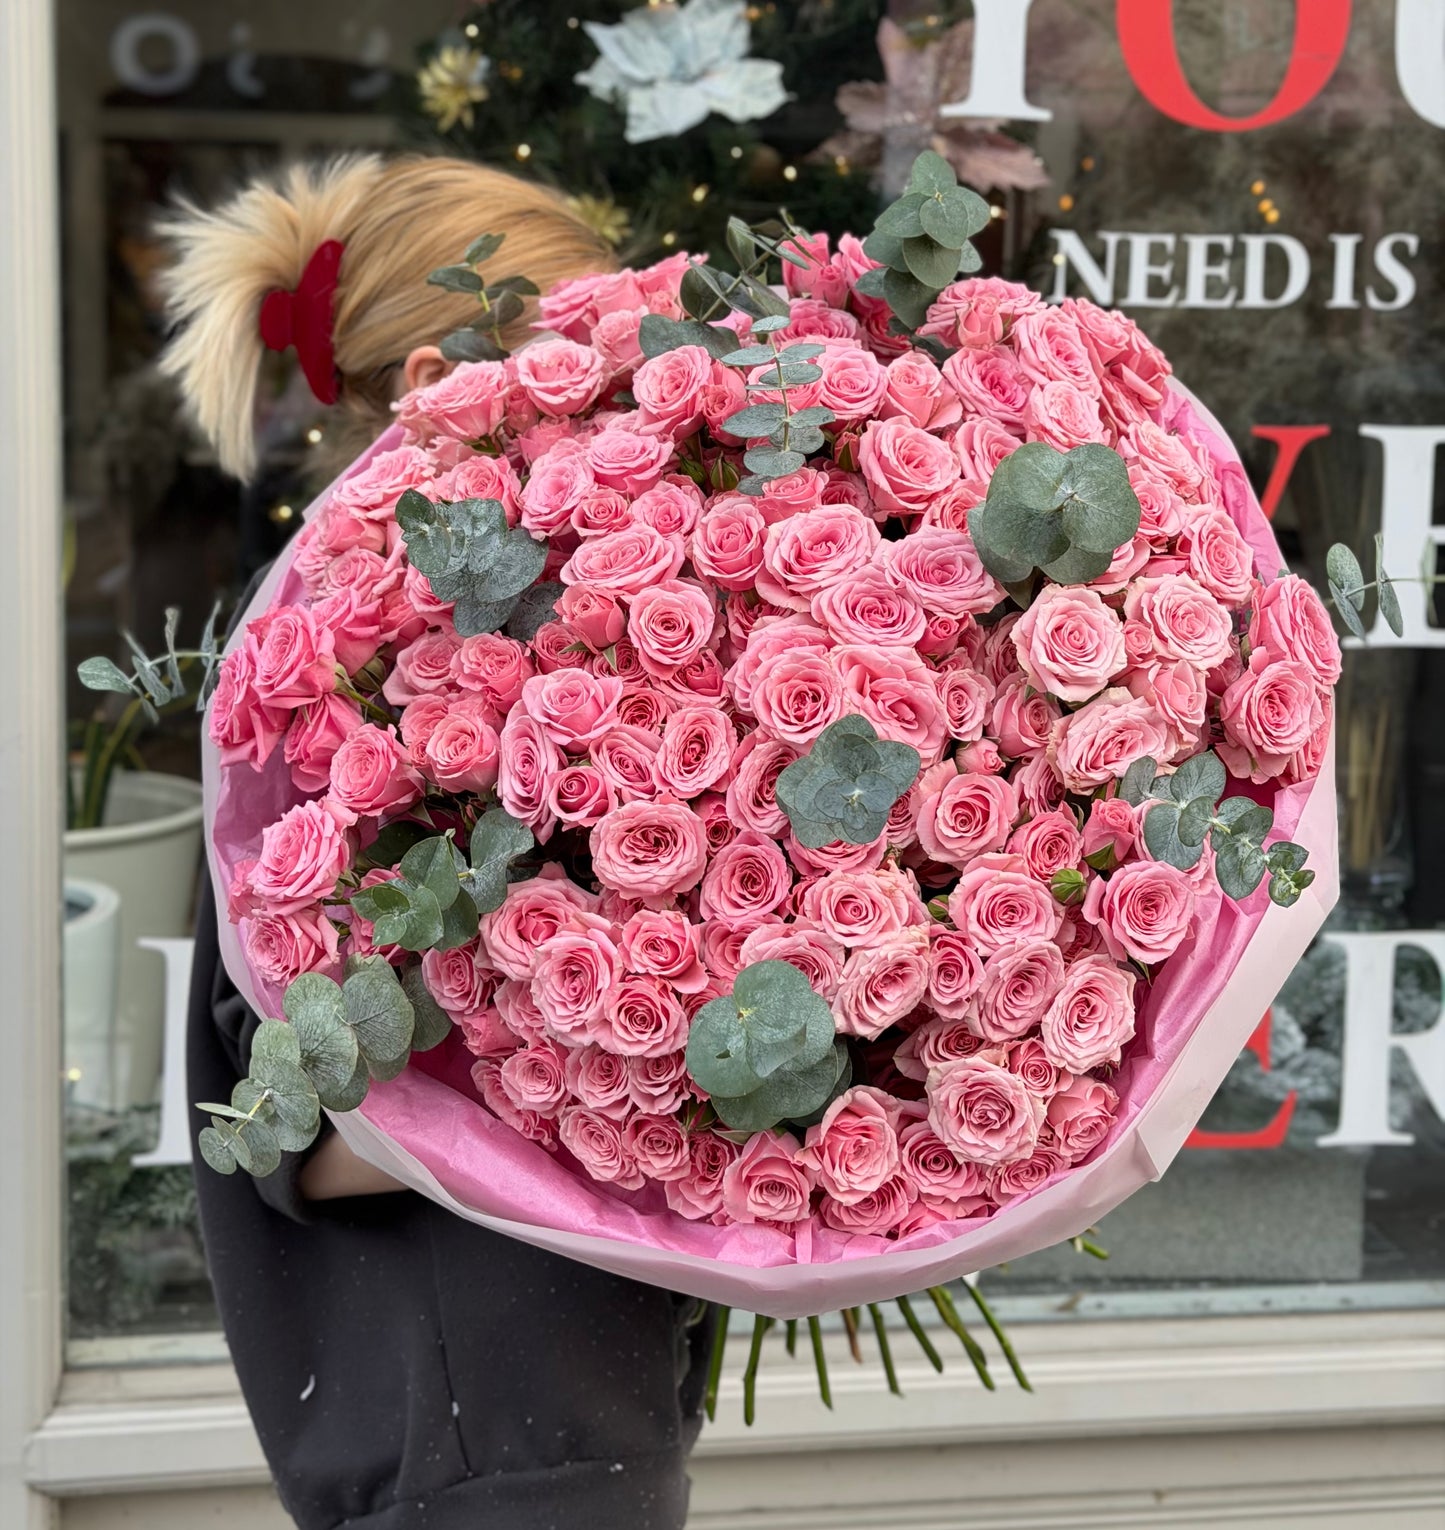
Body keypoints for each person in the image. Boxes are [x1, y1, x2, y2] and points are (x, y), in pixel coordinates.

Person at [166, 155, 714, 1530]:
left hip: (561, 1413)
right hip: (475, 1448)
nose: (622, 408)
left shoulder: (513, 636)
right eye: (581, 369)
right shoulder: (322, 692)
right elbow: (288, 1133)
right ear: (436, 386)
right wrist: (596, 1077)